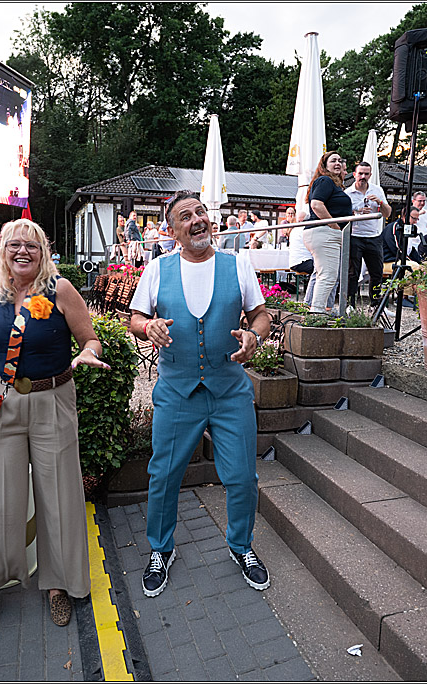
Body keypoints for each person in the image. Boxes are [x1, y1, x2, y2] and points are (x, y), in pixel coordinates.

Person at [0, 218, 111, 640]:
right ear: (2, 252)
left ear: (43, 251)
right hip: (7, 401)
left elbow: (91, 339)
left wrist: (88, 353)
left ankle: (57, 584)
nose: (22, 252)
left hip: (53, 401)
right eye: (14, 245)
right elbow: (10, 341)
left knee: (59, 498)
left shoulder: (60, 290)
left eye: (31, 245)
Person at [129, 190, 272, 597]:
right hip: (177, 390)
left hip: (229, 390)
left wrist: (254, 336)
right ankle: (161, 549)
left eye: (201, 212)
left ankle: (241, 546)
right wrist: (146, 327)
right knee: (163, 475)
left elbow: (260, 315)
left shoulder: (237, 264)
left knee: (243, 477)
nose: (197, 220)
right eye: (186, 216)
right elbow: (136, 318)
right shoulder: (157, 270)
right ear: (173, 230)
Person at [303, 150, 351, 313]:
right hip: (324, 232)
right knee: (328, 275)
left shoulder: (332, 184)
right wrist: (335, 225)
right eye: (333, 161)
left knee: (323, 273)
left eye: (340, 160)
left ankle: (318, 308)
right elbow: (316, 204)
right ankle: (317, 310)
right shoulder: (325, 180)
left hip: (323, 232)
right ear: (324, 166)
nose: (337, 163)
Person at [345, 161, 392, 305]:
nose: (363, 177)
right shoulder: (348, 193)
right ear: (354, 175)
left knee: (377, 273)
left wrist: (380, 203)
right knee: (353, 273)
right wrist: (356, 210)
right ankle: (350, 305)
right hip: (355, 235)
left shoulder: (377, 190)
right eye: (360, 174)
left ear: (370, 175)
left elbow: (388, 213)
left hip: (374, 236)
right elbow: (342, 215)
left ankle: (375, 305)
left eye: (366, 174)